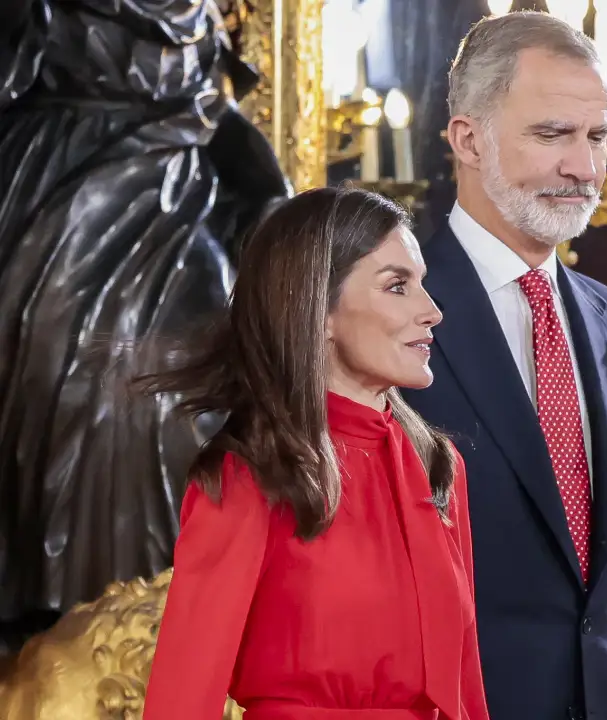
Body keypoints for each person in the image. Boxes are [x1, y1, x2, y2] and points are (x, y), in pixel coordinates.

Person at [401, 11, 607, 720]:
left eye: (597, 137)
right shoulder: (387, 315)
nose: (585, 168)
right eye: (553, 134)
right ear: (469, 139)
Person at [0, 0, 289, 652]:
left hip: (183, 194)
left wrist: (271, 201)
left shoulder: (196, 15)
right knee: (98, 368)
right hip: (64, 188)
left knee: (213, 375)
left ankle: (184, 615)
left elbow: (214, 112)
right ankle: (72, 604)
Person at [140, 188, 489, 720]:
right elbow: (185, 694)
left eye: (423, 285)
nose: (432, 312)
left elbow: (465, 688)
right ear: (318, 311)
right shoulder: (249, 473)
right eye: (398, 286)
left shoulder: (437, 465)